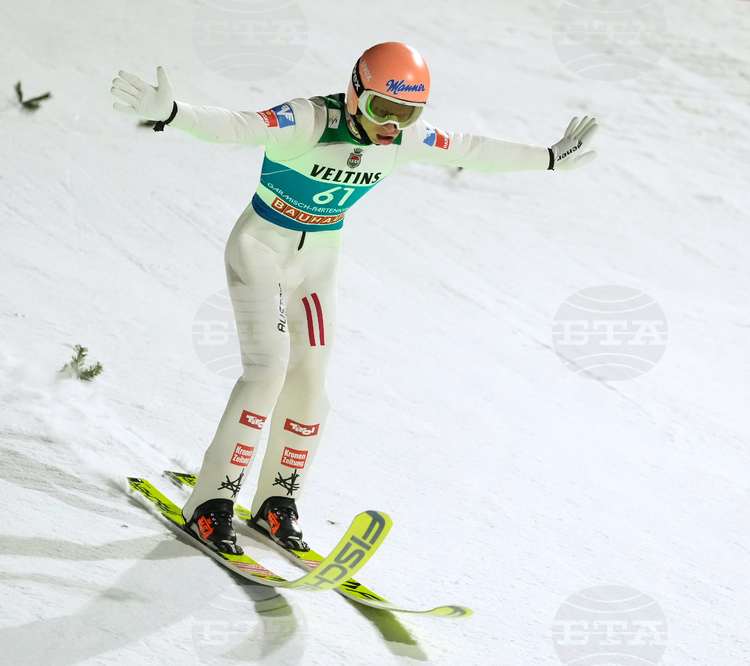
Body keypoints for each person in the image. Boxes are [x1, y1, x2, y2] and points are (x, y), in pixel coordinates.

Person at [111, 42, 599, 555]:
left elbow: (472, 150)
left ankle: (277, 501)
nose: (392, 124)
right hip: (262, 248)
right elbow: (239, 125)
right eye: (381, 109)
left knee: (310, 384)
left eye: (407, 113)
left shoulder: (404, 138)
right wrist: (170, 113)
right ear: (354, 93)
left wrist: (548, 158)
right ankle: (209, 504)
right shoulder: (308, 120)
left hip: (318, 260)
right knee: (268, 370)